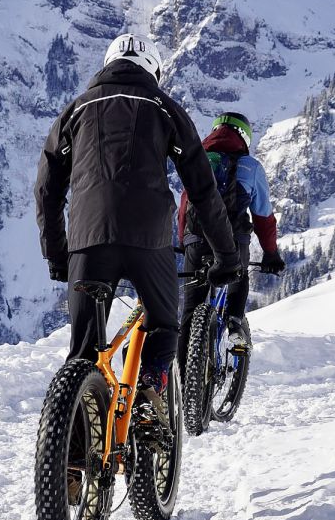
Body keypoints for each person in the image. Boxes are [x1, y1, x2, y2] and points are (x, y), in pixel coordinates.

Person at [34, 33, 240, 431]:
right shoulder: (165, 108)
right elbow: (202, 190)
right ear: (154, 72)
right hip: (149, 239)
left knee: (83, 354)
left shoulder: (74, 110)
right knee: (164, 324)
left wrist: (58, 254)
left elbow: (46, 189)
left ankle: (73, 465)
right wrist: (227, 256)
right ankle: (149, 388)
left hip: (88, 241)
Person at [177, 112, 286, 365]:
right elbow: (264, 217)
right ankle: (235, 323)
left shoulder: (198, 160)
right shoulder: (251, 167)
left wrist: (185, 241)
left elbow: (184, 206)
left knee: (191, 313)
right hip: (234, 241)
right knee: (239, 277)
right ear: (244, 136)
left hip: (196, 240)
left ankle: (183, 385)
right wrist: (271, 254)